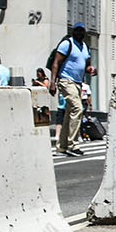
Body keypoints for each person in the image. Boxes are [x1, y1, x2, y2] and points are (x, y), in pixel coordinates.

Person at [47, 22, 93, 157]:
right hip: (65, 80)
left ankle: (61, 147)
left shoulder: (85, 47)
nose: (79, 33)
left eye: (81, 31)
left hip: (78, 83)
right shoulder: (67, 44)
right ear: (73, 31)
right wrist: (53, 82)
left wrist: (91, 69)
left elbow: (87, 65)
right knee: (77, 109)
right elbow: (56, 63)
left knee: (69, 114)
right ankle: (73, 145)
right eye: (77, 31)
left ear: (84, 32)